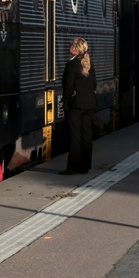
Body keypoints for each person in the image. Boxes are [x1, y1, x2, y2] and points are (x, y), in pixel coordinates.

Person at [62, 37, 96, 175]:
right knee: (86, 135)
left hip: (75, 106)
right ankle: (85, 166)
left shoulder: (72, 64)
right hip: (89, 104)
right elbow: (94, 84)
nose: (69, 47)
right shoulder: (88, 64)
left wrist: (66, 101)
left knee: (74, 136)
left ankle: (72, 167)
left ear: (75, 49)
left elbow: (68, 87)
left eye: (71, 45)